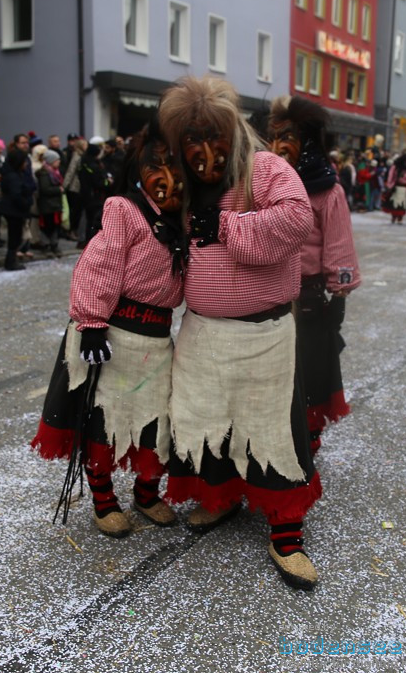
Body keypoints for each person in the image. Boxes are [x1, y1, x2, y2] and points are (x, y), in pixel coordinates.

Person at [158, 76, 319, 591]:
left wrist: (228, 227)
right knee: (208, 421)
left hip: (262, 334)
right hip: (203, 333)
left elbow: (298, 221)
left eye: (211, 134)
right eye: (191, 137)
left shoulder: (265, 168)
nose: (203, 149)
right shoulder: (182, 182)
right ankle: (220, 497)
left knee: (271, 426)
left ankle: (286, 527)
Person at [32, 117, 187, 537]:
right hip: (114, 335)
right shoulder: (123, 209)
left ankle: (146, 492)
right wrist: (93, 323)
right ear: (139, 169)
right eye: (157, 165)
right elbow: (99, 265)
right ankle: (103, 499)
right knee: (105, 420)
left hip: (157, 339)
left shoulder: (184, 220)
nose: (167, 176)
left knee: (158, 422)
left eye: (174, 166)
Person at [265, 95, 361, 458]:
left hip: (308, 302)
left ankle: (306, 445)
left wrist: (339, 296)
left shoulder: (327, 190)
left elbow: (339, 248)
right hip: (268, 302)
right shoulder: (262, 184)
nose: (276, 146)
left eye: (286, 136)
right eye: (271, 137)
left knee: (308, 379)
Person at [0, 147, 35, 270]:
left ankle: (11, 261)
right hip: (14, 211)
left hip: (13, 210)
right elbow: (16, 195)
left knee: (15, 236)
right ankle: (10, 262)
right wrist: (27, 203)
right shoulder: (13, 176)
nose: (26, 164)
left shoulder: (12, 174)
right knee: (15, 237)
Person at [36, 149, 65, 258]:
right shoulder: (44, 174)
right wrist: (59, 190)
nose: (59, 163)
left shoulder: (55, 173)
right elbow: (45, 189)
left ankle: (54, 244)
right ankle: (47, 245)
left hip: (55, 205)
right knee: (47, 226)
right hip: (47, 205)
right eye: (57, 161)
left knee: (55, 226)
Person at [383, 153, 406, 224]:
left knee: (402, 203)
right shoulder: (395, 167)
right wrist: (389, 186)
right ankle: (393, 216)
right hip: (395, 187)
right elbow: (390, 176)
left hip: (404, 188)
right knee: (394, 203)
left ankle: (400, 217)